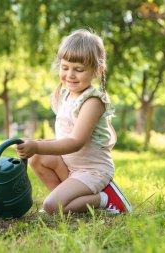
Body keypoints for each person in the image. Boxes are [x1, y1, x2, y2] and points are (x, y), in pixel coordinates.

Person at [15, 29, 132, 214]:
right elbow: (62, 138)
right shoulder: (66, 94)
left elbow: (75, 142)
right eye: (65, 67)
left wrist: (37, 146)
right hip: (71, 168)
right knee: (37, 158)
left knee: (51, 206)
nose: (70, 74)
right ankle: (64, 202)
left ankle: (105, 198)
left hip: (92, 171)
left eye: (78, 69)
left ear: (97, 70)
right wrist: (36, 145)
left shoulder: (92, 101)